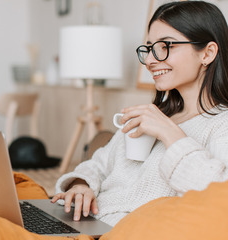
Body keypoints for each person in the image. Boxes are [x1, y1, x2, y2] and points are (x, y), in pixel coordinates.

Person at [52, 1, 228, 227]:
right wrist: (81, 185)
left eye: (166, 46)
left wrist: (169, 134)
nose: (151, 60)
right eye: (149, 48)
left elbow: (219, 193)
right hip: (85, 221)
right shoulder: (154, 114)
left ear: (208, 53)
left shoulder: (221, 124)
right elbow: (98, 163)